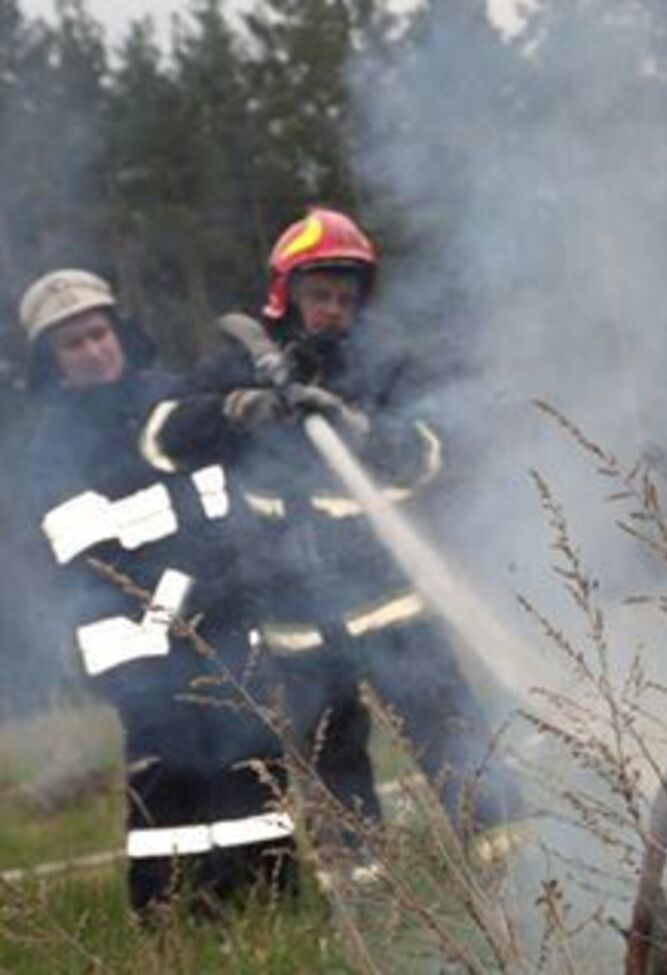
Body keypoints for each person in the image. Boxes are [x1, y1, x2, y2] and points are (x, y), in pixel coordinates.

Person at [137, 209, 519, 865]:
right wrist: (236, 409)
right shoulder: (242, 362)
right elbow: (161, 438)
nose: (333, 310)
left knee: (448, 730)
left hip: (391, 601)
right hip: (293, 619)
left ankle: (510, 860)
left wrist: (361, 431)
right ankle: (365, 894)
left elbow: (430, 454)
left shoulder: (385, 366)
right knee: (330, 760)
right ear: (288, 292)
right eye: (321, 295)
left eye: (346, 297)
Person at [18, 269, 296, 918]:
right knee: (169, 772)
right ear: (51, 363)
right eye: (73, 344)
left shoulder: (170, 397)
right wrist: (181, 590)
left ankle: (274, 901)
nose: (93, 350)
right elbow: (87, 550)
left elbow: (235, 483)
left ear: (120, 331)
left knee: (252, 758)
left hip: (225, 615)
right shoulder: (51, 449)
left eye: (98, 332)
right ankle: (171, 915)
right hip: (134, 639)